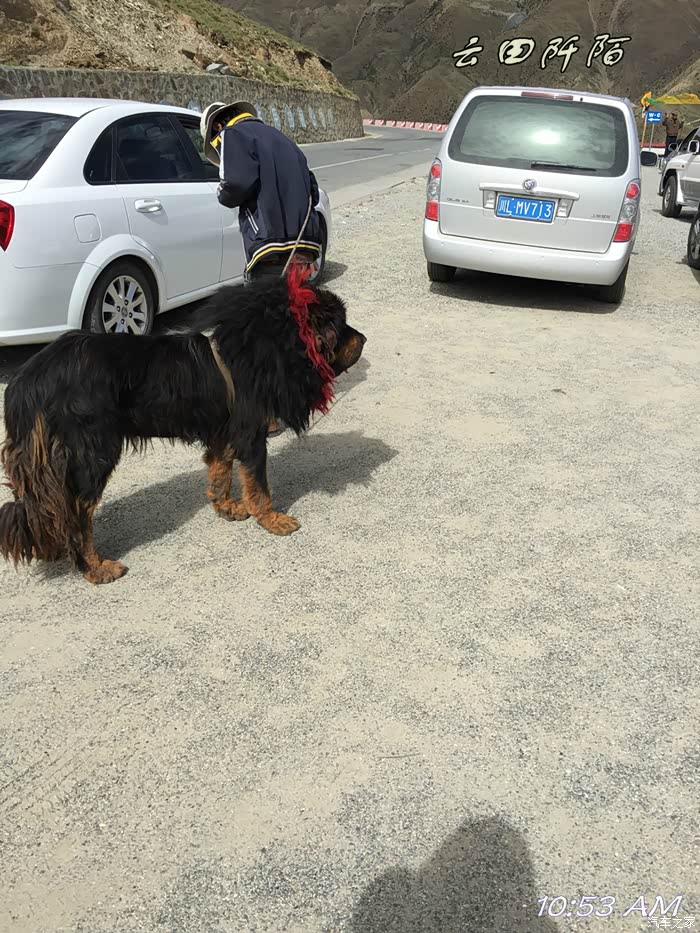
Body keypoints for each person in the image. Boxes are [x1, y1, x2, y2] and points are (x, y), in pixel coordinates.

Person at [200, 100, 323, 283]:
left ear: (218, 126)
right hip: (304, 245)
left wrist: (222, 194)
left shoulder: (232, 134)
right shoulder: (282, 138)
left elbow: (235, 183)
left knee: (268, 300)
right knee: (298, 298)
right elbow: (313, 191)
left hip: (269, 246)